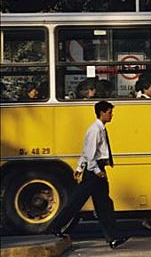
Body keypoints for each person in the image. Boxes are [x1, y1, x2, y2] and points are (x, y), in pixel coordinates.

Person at [48, 101, 129, 249]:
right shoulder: (95, 130)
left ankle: (113, 237)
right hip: (94, 172)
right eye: (110, 112)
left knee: (104, 205)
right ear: (102, 113)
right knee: (76, 202)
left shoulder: (100, 129)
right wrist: (97, 172)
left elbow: (86, 151)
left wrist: (80, 167)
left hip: (95, 170)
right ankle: (55, 227)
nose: (112, 115)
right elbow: (90, 154)